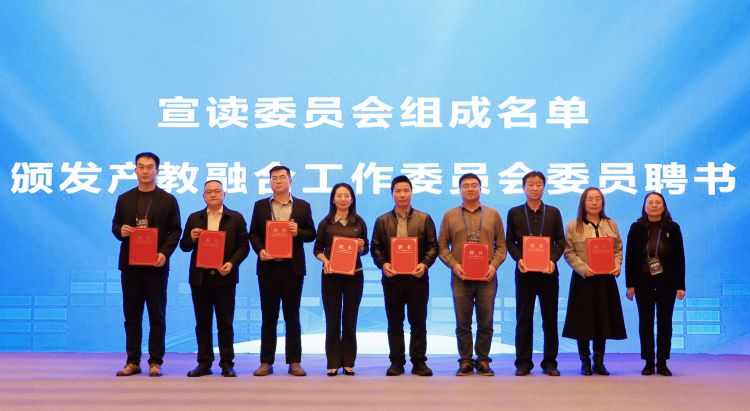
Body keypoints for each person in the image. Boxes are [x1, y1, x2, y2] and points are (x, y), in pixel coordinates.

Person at [111, 152, 182, 377]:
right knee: (132, 316)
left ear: (157, 170)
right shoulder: (124, 198)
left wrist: (164, 253)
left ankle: (155, 361)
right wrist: (121, 231)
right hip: (131, 266)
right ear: (135, 170)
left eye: (149, 167)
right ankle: (132, 361)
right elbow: (115, 226)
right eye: (140, 167)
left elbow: (176, 231)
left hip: (156, 266)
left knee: (156, 316)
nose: (145, 171)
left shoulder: (168, 200)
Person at [248, 165, 316, 377]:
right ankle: (266, 362)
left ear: (290, 181)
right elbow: (253, 234)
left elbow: (312, 234)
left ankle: (294, 362)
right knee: (268, 316)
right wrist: (260, 250)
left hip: (292, 269)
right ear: (270, 182)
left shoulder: (303, 206)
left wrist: (298, 232)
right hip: (268, 268)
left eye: (282, 177)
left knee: (292, 316)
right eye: (274, 178)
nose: (278, 181)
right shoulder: (260, 206)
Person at [438, 173, 507, 376]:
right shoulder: (450, 215)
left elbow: (501, 246)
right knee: (463, 322)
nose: (470, 189)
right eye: (465, 186)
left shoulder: (493, 214)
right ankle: (466, 361)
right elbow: (442, 246)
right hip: (460, 277)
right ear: (460, 190)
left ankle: (483, 360)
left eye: (474, 185)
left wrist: (493, 266)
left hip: (487, 277)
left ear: (480, 188)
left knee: (486, 321)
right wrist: (454, 265)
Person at [179, 180, 250, 377]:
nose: (213, 195)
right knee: (202, 323)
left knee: (225, 323)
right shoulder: (195, 218)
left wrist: (232, 264)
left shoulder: (235, 218)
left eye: (217, 191)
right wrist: (192, 238)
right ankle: (204, 363)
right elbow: (184, 246)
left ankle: (227, 363)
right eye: (209, 192)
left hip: (225, 277)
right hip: (200, 279)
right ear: (203, 196)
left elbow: (244, 246)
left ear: (224, 195)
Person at [371, 175, 439, 377]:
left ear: (411, 192)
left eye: (406, 190)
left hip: (417, 278)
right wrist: (383, 264)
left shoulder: (424, 218)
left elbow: (433, 246)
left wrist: (424, 264)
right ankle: (396, 362)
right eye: (398, 191)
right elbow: (376, 247)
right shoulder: (382, 220)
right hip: (392, 279)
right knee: (394, 322)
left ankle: (419, 362)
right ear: (392, 194)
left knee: (418, 322)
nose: (402, 194)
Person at [505, 171, 565, 377]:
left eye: (538, 184)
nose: (534, 188)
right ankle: (523, 363)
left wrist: (552, 260)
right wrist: (519, 259)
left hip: (548, 273)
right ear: (523, 188)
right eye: (530, 184)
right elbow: (509, 241)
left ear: (544, 188)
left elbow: (560, 241)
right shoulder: (514, 212)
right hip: (524, 272)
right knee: (524, 318)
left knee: (550, 318)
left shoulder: (554, 212)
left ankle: (550, 363)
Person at [562, 187, 626, 376]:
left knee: (602, 320)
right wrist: (582, 268)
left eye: (598, 199)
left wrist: (617, 265)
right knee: (583, 321)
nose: (594, 202)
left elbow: (618, 248)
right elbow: (569, 252)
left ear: (602, 202)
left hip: (605, 280)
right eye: (590, 199)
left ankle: (599, 361)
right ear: (583, 202)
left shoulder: (611, 224)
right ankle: (585, 362)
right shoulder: (573, 225)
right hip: (583, 279)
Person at [625, 192, 686, 376]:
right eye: (650, 202)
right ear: (644, 207)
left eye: (657, 202)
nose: (653, 205)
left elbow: (680, 257)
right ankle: (649, 362)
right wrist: (630, 285)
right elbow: (630, 257)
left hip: (667, 282)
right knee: (645, 322)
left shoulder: (673, 228)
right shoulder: (636, 228)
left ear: (663, 206)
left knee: (665, 322)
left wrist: (681, 285)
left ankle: (662, 362)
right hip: (642, 282)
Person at [314, 183, 369, 376]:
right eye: (339, 195)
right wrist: (326, 261)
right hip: (331, 276)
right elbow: (317, 249)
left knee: (350, 318)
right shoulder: (326, 223)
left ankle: (348, 362)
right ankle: (333, 362)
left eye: (347, 195)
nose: (343, 199)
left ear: (352, 199)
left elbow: (366, 249)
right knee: (332, 319)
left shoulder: (359, 222)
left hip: (355, 275)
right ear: (333, 199)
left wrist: (361, 247)